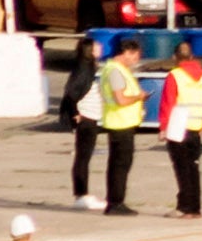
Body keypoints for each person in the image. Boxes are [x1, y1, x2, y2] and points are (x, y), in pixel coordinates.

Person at [90, 41, 145, 216]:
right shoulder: (115, 71)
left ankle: (115, 201)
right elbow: (121, 99)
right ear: (126, 52)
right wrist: (139, 97)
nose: (136, 60)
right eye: (135, 55)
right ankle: (116, 202)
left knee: (118, 165)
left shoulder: (112, 69)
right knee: (120, 165)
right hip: (120, 123)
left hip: (119, 122)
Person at [159, 40, 202, 219]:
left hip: (178, 128)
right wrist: (201, 123)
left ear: (175, 57)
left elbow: (168, 103)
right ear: (192, 56)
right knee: (193, 169)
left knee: (182, 170)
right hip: (196, 128)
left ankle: (184, 207)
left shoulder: (175, 75)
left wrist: (163, 128)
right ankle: (195, 208)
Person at [61, 40, 105, 206]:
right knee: (83, 157)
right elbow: (71, 93)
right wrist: (75, 114)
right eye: (96, 46)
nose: (100, 48)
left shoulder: (90, 68)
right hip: (85, 117)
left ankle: (82, 193)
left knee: (84, 156)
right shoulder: (83, 69)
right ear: (89, 50)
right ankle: (81, 194)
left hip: (91, 116)